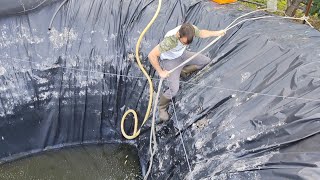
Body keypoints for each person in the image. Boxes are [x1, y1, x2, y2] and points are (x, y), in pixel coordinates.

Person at [148, 23, 226, 122]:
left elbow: (202, 33)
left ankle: (183, 70)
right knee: (174, 89)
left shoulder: (190, 29)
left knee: (205, 61)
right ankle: (162, 107)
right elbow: (152, 55)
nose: (186, 44)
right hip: (170, 61)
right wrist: (160, 71)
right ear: (179, 35)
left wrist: (217, 33)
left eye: (188, 43)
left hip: (182, 55)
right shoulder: (170, 41)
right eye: (184, 42)